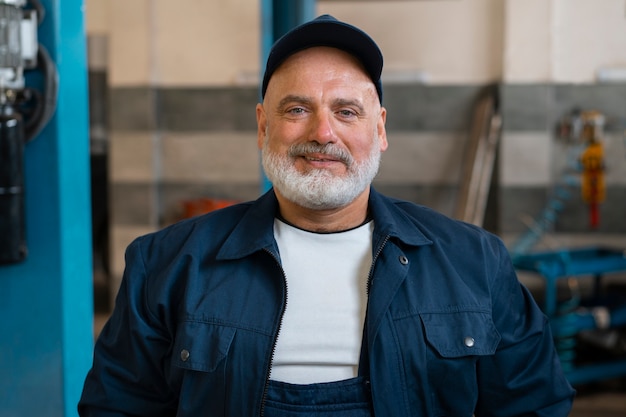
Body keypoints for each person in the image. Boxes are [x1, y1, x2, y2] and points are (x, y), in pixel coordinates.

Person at [78, 14, 575, 417]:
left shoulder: (474, 262)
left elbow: (534, 407)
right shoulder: (167, 264)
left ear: (379, 129)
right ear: (262, 126)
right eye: (296, 110)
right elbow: (118, 409)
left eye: (347, 111)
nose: (322, 133)